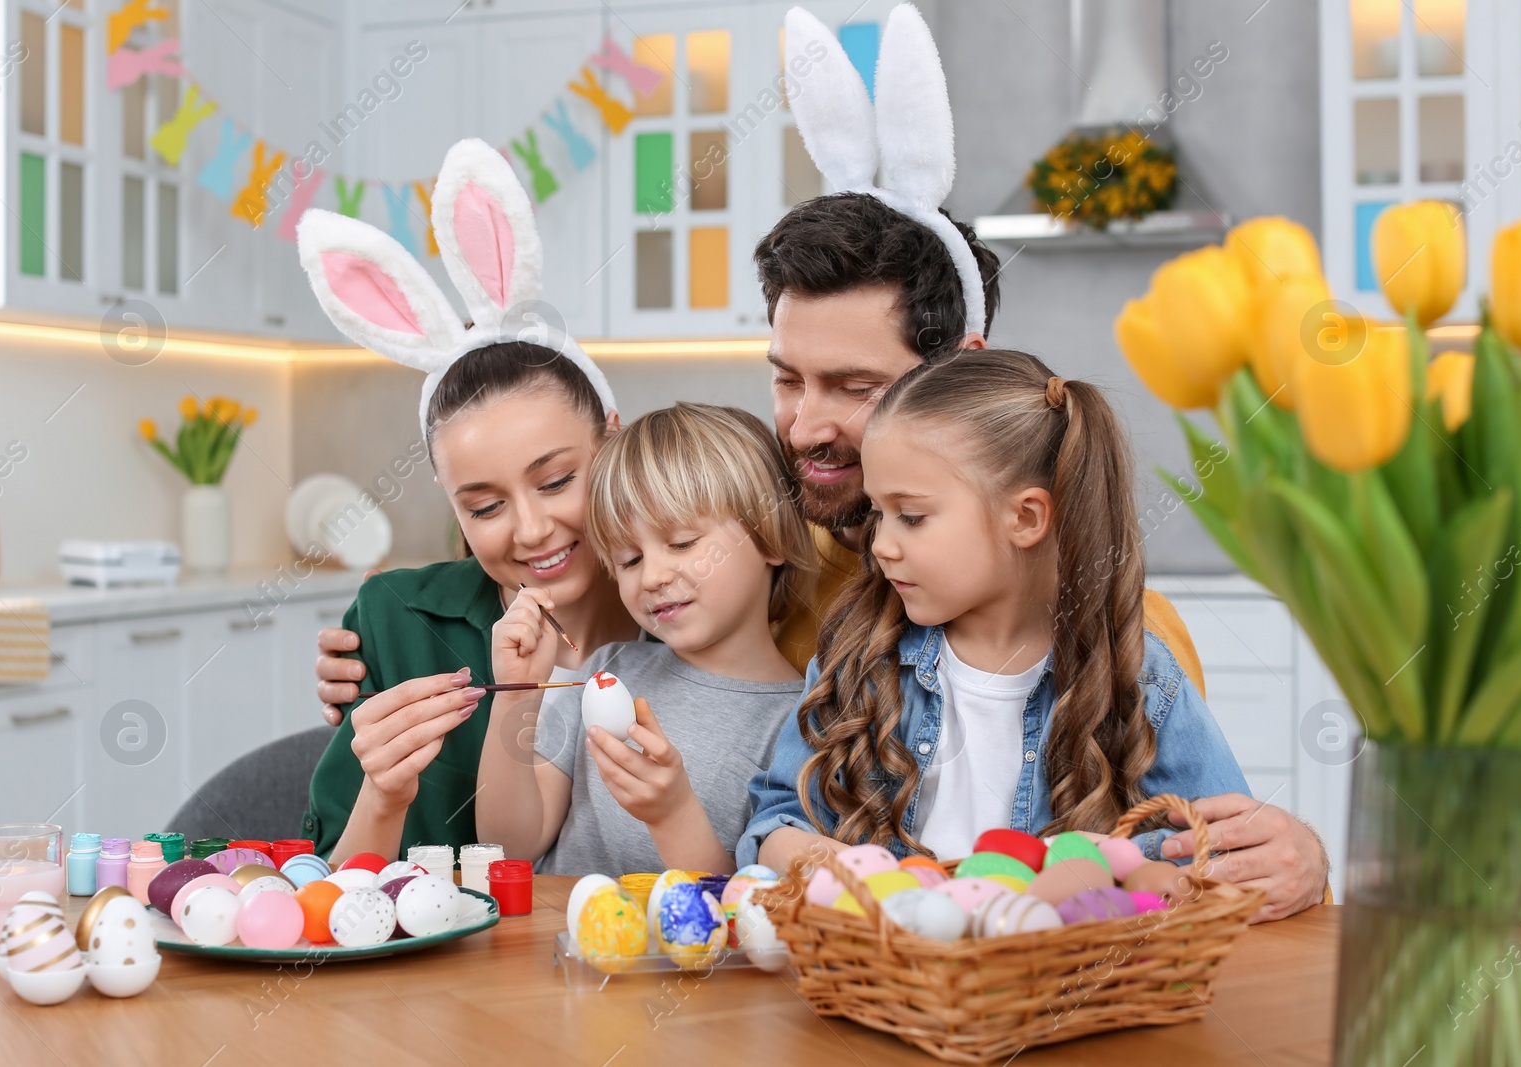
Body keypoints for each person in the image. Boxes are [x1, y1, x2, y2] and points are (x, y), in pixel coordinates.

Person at [319, 3, 1327, 920]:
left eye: (852, 387)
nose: (802, 426)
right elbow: (599, 579)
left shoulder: (1118, 637)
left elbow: (1196, 842)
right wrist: (398, 638)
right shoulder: (754, 542)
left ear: (952, 377)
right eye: (786, 378)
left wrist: (1296, 856)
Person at [742, 350, 1250, 877]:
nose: (882, 545)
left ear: (1026, 517)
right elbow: (780, 823)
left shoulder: (1140, 678)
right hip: (886, 956)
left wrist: (1107, 866)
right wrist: (867, 882)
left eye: (911, 517)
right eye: (877, 513)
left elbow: (1224, 847)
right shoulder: (858, 658)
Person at [294, 140, 640, 865]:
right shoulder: (396, 624)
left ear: (613, 439)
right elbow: (329, 883)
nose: (533, 528)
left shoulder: (693, 610)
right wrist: (383, 792)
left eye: (554, 481)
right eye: (485, 507)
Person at [479, 404, 815, 875]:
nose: (653, 576)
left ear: (771, 539)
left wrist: (672, 814)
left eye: (681, 543)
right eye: (629, 560)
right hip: (552, 945)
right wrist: (515, 694)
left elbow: (748, 906)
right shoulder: (609, 670)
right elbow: (508, 846)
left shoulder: (800, 729)